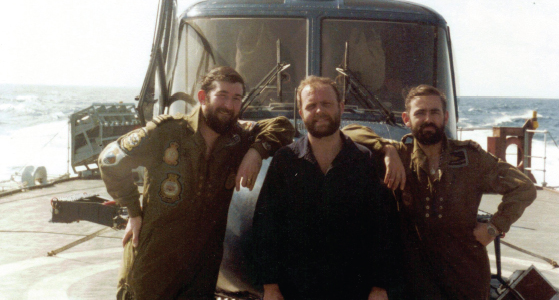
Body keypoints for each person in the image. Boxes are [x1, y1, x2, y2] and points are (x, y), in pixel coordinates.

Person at [98, 66, 295, 300]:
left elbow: (282, 125)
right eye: (222, 96)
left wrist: (255, 152)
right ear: (203, 97)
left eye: (236, 98)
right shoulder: (168, 131)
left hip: (201, 269)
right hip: (155, 260)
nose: (229, 106)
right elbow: (110, 160)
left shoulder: (238, 138)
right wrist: (133, 211)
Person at [343, 84, 537, 300]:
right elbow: (349, 131)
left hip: (466, 276)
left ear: (445, 117)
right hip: (418, 278)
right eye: (420, 113)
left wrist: (495, 227)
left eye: (434, 112)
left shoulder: (470, 158)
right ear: (406, 119)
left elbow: (523, 186)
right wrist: (385, 148)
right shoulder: (402, 155)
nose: (428, 119)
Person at [253, 76, 401, 300]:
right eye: (311, 106)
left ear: (341, 108)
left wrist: (379, 287)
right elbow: (266, 225)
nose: (319, 111)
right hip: (296, 289)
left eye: (327, 104)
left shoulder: (364, 159)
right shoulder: (285, 160)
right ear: (301, 113)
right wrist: (270, 286)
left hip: (352, 290)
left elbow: (382, 228)